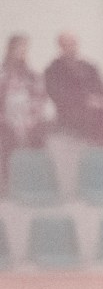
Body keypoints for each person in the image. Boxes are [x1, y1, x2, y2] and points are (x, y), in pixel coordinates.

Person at [42, 33, 103, 154]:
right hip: (71, 111)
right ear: (60, 46)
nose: (72, 47)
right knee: (101, 117)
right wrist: (85, 100)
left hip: (97, 106)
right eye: (67, 44)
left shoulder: (89, 66)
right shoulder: (53, 70)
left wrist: (102, 100)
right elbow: (57, 94)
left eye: (74, 44)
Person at [1, 34, 47, 185]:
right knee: (6, 141)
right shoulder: (3, 74)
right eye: (19, 48)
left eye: (25, 49)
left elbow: (40, 97)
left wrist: (30, 119)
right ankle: (6, 185)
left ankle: (33, 183)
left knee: (38, 137)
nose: (22, 52)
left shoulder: (31, 75)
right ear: (10, 50)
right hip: (6, 121)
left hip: (29, 119)